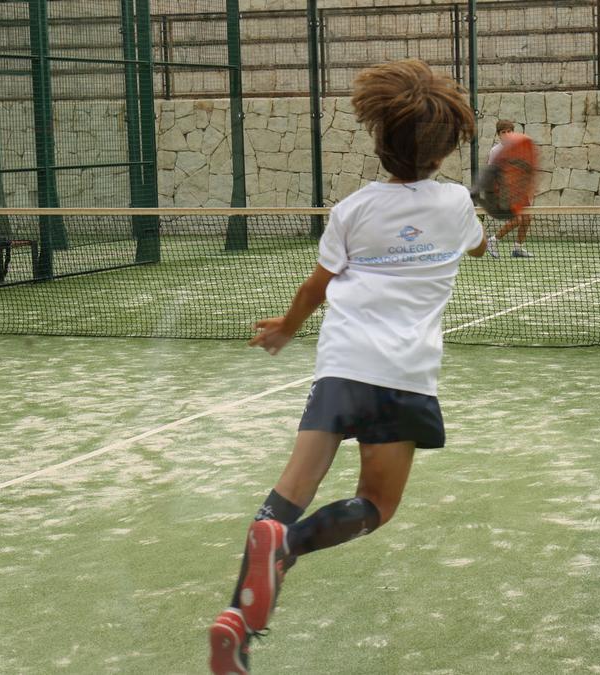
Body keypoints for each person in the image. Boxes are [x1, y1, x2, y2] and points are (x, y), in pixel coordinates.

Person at [207, 58, 485, 675]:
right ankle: (292, 551)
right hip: (405, 378)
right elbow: (480, 244)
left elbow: (316, 288)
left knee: (285, 498)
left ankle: (239, 623)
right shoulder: (458, 205)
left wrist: (285, 328)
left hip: (340, 369)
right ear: (444, 150)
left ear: (379, 140)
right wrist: (503, 213)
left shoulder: (353, 210)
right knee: (375, 506)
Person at [485, 120, 535, 258]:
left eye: (509, 131)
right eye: (503, 132)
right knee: (516, 220)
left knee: (527, 218)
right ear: (499, 135)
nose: (507, 134)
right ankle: (493, 241)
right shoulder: (495, 151)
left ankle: (517, 248)